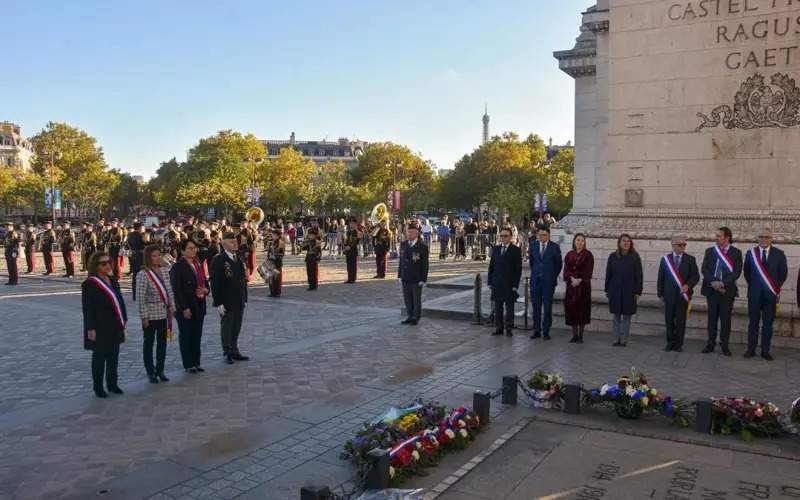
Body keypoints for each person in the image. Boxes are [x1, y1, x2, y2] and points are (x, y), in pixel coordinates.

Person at [82, 251, 127, 398]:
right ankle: (98, 387)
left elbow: (120, 301)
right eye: (103, 263)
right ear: (95, 266)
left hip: (114, 324)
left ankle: (112, 384)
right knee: (100, 357)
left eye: (109, 262)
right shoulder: (90, 283)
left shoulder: (113, 280)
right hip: (99, 325)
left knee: (114, 356)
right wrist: (90, 328)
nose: (108, 265)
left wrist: (123, 320)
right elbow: (87, 308)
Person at [743, 228, 787, 361]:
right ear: (758, 238)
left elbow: (783, 274)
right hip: (754, 295)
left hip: (770, 295)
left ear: (771, 239)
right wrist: (756, 287)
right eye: (761, 237)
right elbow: (747, 273)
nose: (763, 239)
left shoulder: (779, 254)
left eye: (766, 237)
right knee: (753, 323)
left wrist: (773, 288)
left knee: (768, 324)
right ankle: (751, 349)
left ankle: (765, 350)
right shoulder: (751, 253)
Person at [700, 227, 742, 356]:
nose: (716, 238)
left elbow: (736, 272)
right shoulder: (710, 251)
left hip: (727, 291)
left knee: (725, 319)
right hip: (711, 290)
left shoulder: (736, 252)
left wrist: (722, 283)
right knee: (712, 318)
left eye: (719, 236)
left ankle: (725, 345)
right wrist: (713, 282)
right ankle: (710, 344)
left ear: (727, 238)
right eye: (716, 235)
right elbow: (704, 269)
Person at [135, 244, 174, 383]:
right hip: (150, 315)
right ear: (147, 258)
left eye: (159, 255)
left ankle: (160, 369)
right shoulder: (143, 274)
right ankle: (150, 371)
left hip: (163, 313)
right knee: (149, 343)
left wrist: (172, 308)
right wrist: (144, 316)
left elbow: (169, 290)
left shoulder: (164, 271)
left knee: (162, 343)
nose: (157, 258)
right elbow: (140, 297)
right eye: (154, 256)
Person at [170, 239, 208, 373]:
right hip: (186, 306)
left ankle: (196, 362)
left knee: (197, 335)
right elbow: (177, 290)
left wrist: (206, 290)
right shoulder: (177, 267)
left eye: (194, 248)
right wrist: (184, 307)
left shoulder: (198, 263)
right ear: (182, 251)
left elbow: (205, 281)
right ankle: (188, 364)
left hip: (199, 304)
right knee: (186, 335)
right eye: (190, 248)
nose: (193, 250)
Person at [210, 232, 249, 364]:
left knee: (236, 326)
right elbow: (215, 283)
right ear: (224, 243)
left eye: (235, 241)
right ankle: (227, 351)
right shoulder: (218, 260)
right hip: (226, 300)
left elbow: (243, 280)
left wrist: (245, 298)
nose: (235, 243)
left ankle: (235, 349)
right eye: (231, 241)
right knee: (227, 326)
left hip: (239, 299)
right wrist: (218, 302)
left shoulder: (238, 258)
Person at [656, 235, 700, 352]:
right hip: (669, 295)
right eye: (680, 244)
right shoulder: (665, 259)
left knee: (680, 320)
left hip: (683, 296)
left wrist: (688, 285)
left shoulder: (690, 259)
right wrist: (660, 293)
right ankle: (670, 342)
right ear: (673, 245)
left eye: (684, 244)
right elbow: (661, 277)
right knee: (669, 319)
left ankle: (678, 344)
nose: (682, 247)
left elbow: (695, 276)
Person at [605, 234, 643, 347]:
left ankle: (624, 340)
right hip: (615, 290)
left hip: (629, 292)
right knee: (616, 316)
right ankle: (616, 339)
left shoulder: (635, 257)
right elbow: (609, 274)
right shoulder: (612, 256)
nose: (626, 243)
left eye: (628, 241)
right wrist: (607, 289)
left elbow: (639, 276)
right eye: (623, 241)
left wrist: (638, 291)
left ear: (631, 243)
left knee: (627, 316)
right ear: (619, 243)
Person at [528, 227, 562, 340]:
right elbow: (532, 262)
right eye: (540, 235)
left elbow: (558, 265)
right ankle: (536, 330)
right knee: (536, 307)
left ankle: (546, 330)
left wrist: (551, 275)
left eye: (545, 235)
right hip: (536, 281)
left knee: (547, 307)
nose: (542, 237)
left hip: (548, 282)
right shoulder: (533, 245)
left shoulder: (554, 247)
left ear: (549, 235)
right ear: (537, 235)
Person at [487, 227, 522, 337]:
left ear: (510, 237)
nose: (503, 238)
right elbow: (491, 267)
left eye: (505, 236)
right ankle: (499, 327)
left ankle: (509, 328)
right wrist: (490, 281)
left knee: (509, 307)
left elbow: (518, 269)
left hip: (509, 284)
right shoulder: (496, 249)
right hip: (497, 283)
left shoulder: (515, 250)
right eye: (501, 236)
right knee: (498, 307)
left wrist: (515, 285)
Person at [563, 233, 594, 343]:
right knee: (572, 311)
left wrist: (579, 279)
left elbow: (588, 270)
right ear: (574, 241)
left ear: (584, 242)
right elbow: (566, 269)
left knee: (582, 311)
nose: (580, 242)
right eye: (578, 240)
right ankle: (574, 335)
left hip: (583, 288)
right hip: (571, 288)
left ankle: (580, 335)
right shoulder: (569, 254)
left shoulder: (588, 254)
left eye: (582, 240)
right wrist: (571, 279)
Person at [398, 223, 429, 325]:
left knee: (416, 299)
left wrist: (423, 279)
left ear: (416, 233)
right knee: (407, 298)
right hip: (405, 276)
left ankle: (416, 317)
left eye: (411, 232)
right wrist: (399, 275)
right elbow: (401, 261)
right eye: (408, 232)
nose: (409, 234)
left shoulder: (422, 247)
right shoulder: (404, 244)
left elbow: (425, 264)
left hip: (416, 277)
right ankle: (409, 315)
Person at [302, 218, 323, 290]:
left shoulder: (319, 230)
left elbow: (320, 242)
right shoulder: (309, 230)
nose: (313, 224)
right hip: (309, 254)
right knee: (309, 271)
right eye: (312, 222)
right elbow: (306, 239)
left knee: (314, 271)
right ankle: (311, 284)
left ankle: (315, 284)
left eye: (314, 222)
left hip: (315, 252)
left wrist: (318, 257)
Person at [266, 227, 285, 297]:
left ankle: (277, 293)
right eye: (272, 234)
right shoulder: (271, 242)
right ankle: (272, 292)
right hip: (271, 262)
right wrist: (268, 257)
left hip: (277, 263)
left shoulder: (281, 243)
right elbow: (268, 251)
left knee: (277, 278)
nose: (272, 236)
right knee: (271, 278)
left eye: (274, 234)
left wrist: (275, 256)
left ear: (277, 235)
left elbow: (281, 254)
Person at [344, 219, 360, 284]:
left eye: (353, 223)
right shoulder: (348, 232)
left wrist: (350, 246)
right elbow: (346, 240)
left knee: (353, 265)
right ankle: (349, 278)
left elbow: (356, 241)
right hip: (348, 250)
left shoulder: (357, 232)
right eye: (351, 223)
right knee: (348, 265)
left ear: (355, 224)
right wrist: (345, 245)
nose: (351, 225)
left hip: (353, 250)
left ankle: (353, 278)